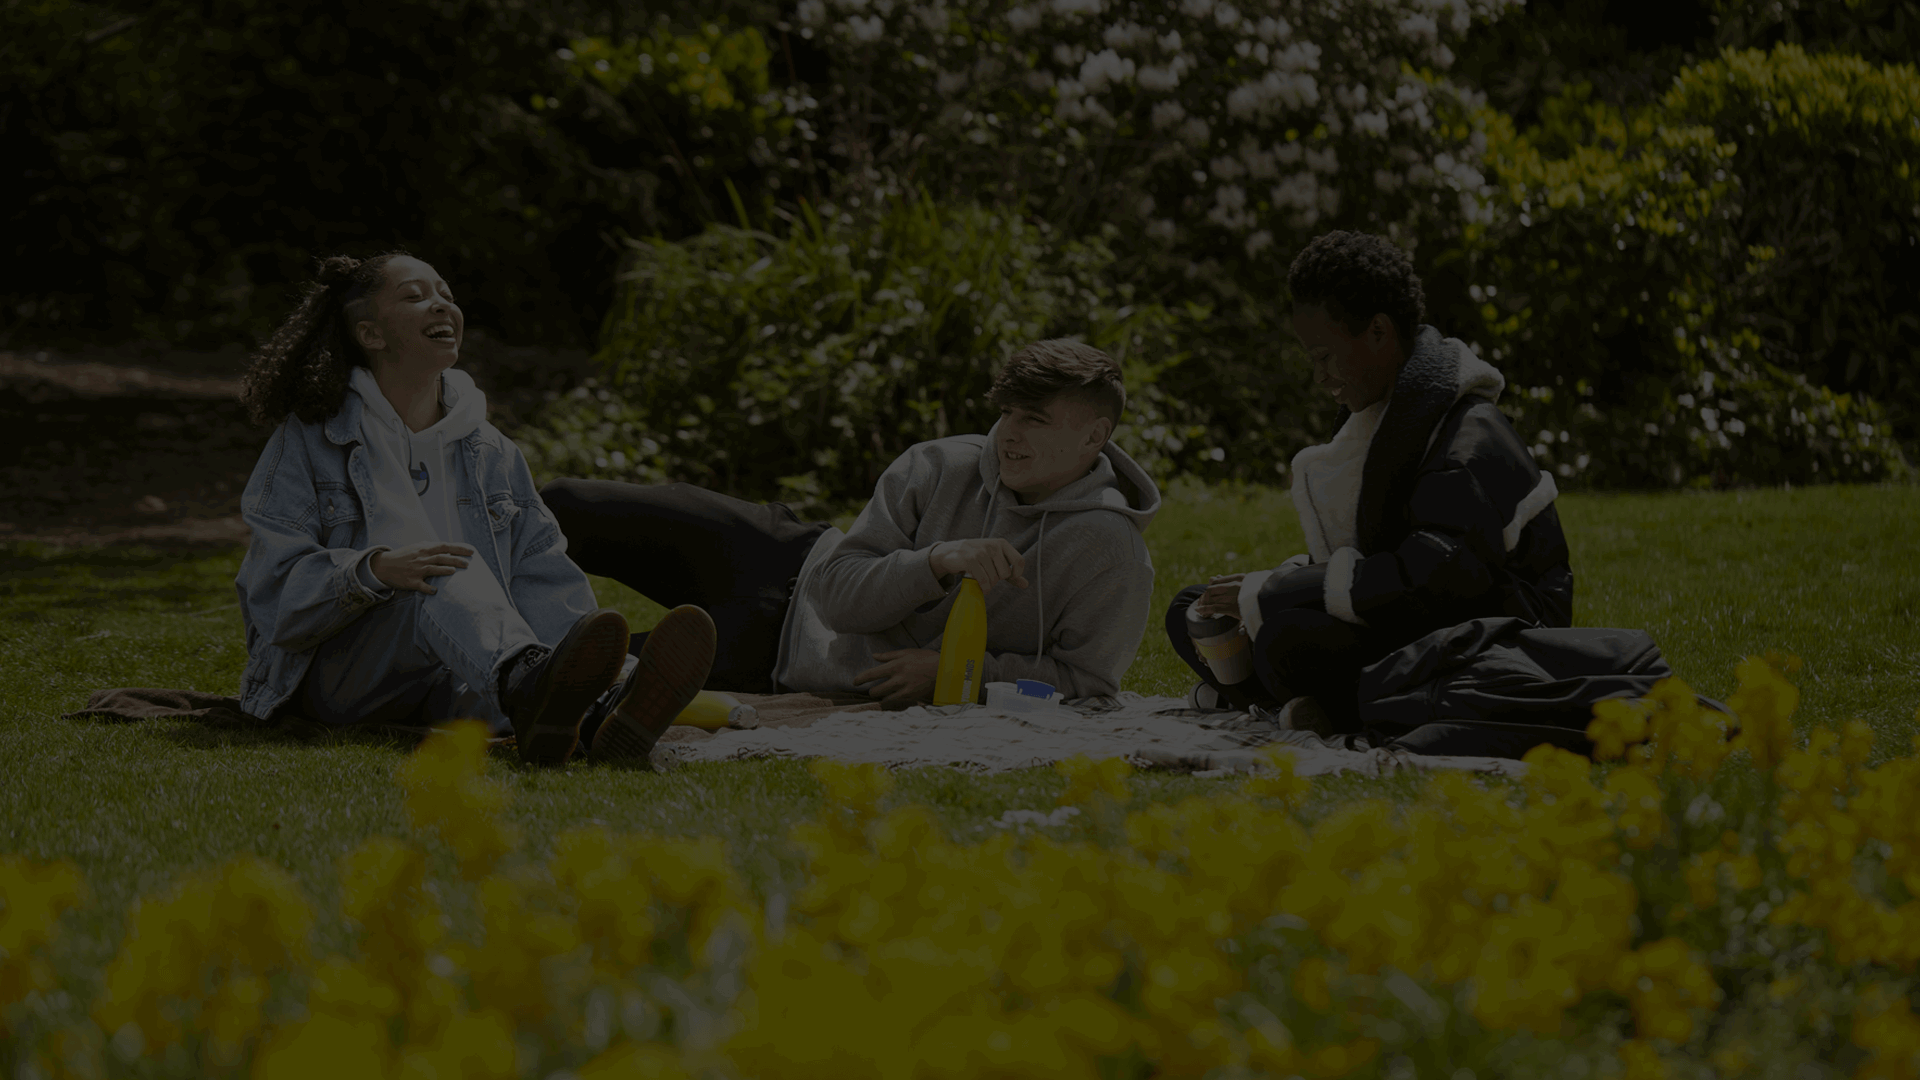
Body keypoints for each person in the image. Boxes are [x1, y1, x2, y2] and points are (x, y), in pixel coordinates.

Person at [232, 252, 716, 765]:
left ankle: (600, 718)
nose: (441, 304)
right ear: (371, 335)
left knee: (490, 670)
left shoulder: (492, 451)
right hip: (339, 679)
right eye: (416, 296)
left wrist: (605, 664)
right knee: (443, 566)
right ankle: (536, 686)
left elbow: (540, 570)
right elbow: (273, 595)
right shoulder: (310, 441)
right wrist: (371, 570)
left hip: (461, 668)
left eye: (446, 293)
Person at [540, 339, 1162, 712]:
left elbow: (1087, 682)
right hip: (783, 556)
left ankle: (467, 654)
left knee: (569, 671)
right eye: (1006, 414)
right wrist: (938, 560)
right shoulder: (940, 463)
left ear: (1094, 436)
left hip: (777, 659)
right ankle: (443, 544)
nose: (1010, 434)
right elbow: (837, 592)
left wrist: (953, 675)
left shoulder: (1111, 551)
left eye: (1034, 419)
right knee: (566, 504)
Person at [1165, 231, 1574, 733]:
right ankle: (1292, 702)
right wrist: (1275, 586)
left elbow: (1436, 582)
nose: (1318, 377)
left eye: (1324, 357)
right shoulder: (1388, 414)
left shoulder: (1466, 438)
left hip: (1496, 637)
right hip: (1413, 617)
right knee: (1191, 609)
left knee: (1286, 639)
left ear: (1379, 333)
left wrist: (1277, 589)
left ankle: (1302, 702)